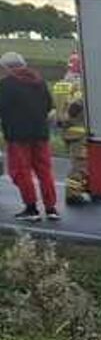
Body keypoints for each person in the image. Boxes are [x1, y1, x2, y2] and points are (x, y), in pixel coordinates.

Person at [0, 51, 59, 222]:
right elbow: (49, 106)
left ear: (6, 67)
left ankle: (31, 208)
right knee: (44, 171)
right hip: (41, 134)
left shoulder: (6, 84)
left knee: (20, 171)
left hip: (17, 136)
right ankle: (51, 208)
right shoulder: (39, 82)